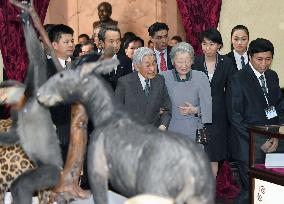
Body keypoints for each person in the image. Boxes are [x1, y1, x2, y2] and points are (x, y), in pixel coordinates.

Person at [228, 38, 283, 197]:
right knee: (251, 191)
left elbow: (279, 107)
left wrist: (275, 135)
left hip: (273, 141)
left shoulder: (272, 76)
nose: (264, 64)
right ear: (250, 56)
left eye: (268, 59)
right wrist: (258, 139)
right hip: (247, 144)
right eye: (259, 59)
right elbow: (235, 117)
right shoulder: (238, 78)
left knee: (269, 191)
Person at [192, 28, 236, 177]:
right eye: (204, 44)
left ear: (219, 45)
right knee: (198, 154)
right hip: (197, 115)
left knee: (214, 156)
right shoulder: (195, 61)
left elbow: (232, 91)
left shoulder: (227, 63)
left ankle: (210, 192)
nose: (207, 48)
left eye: (211, 44)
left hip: (218, 116)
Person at [160, 42, 212, 140]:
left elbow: (209, 109)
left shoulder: (201, 77)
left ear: (192, 61)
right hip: (170, 131)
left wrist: (195, 110)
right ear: (173, 61)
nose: (184, 65)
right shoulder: (163, 77)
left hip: (195, 131)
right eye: (180, 61)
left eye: (188, 61)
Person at [115, 47, 172, 131]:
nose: (152, 69)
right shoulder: (125, 83)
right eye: (148, 65)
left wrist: (162, 126)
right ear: (137, 67)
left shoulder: (159, 80)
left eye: (154, 63)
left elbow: (167, 109)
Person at [47, 24, 74, 161]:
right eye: (66, 42)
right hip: (55, 129)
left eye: (72, 41)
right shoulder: (45, 68)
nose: (71, 45)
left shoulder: (78, 66)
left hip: (78, 129)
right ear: (55, 45)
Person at [98, 25, 132, 89]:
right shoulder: (93, 62)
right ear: (102, 43)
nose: (115, 45)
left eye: (118, 41)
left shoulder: (126, 61)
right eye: (111, 41)